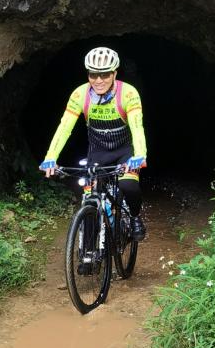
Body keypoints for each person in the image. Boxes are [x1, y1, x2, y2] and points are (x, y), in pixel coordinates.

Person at [39, 47, 147, 244]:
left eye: (104, 74)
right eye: (93, 74)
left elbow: (137, 126)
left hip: (124, 149)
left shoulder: (129, 93)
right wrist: (50, 158)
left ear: (114, 74)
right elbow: (64, 127)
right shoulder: (80, 95)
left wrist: (139, 155)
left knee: (128, 184)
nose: (98, 80)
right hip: (98, 150)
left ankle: (134, 216)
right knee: (90, 197)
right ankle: (88, 254)